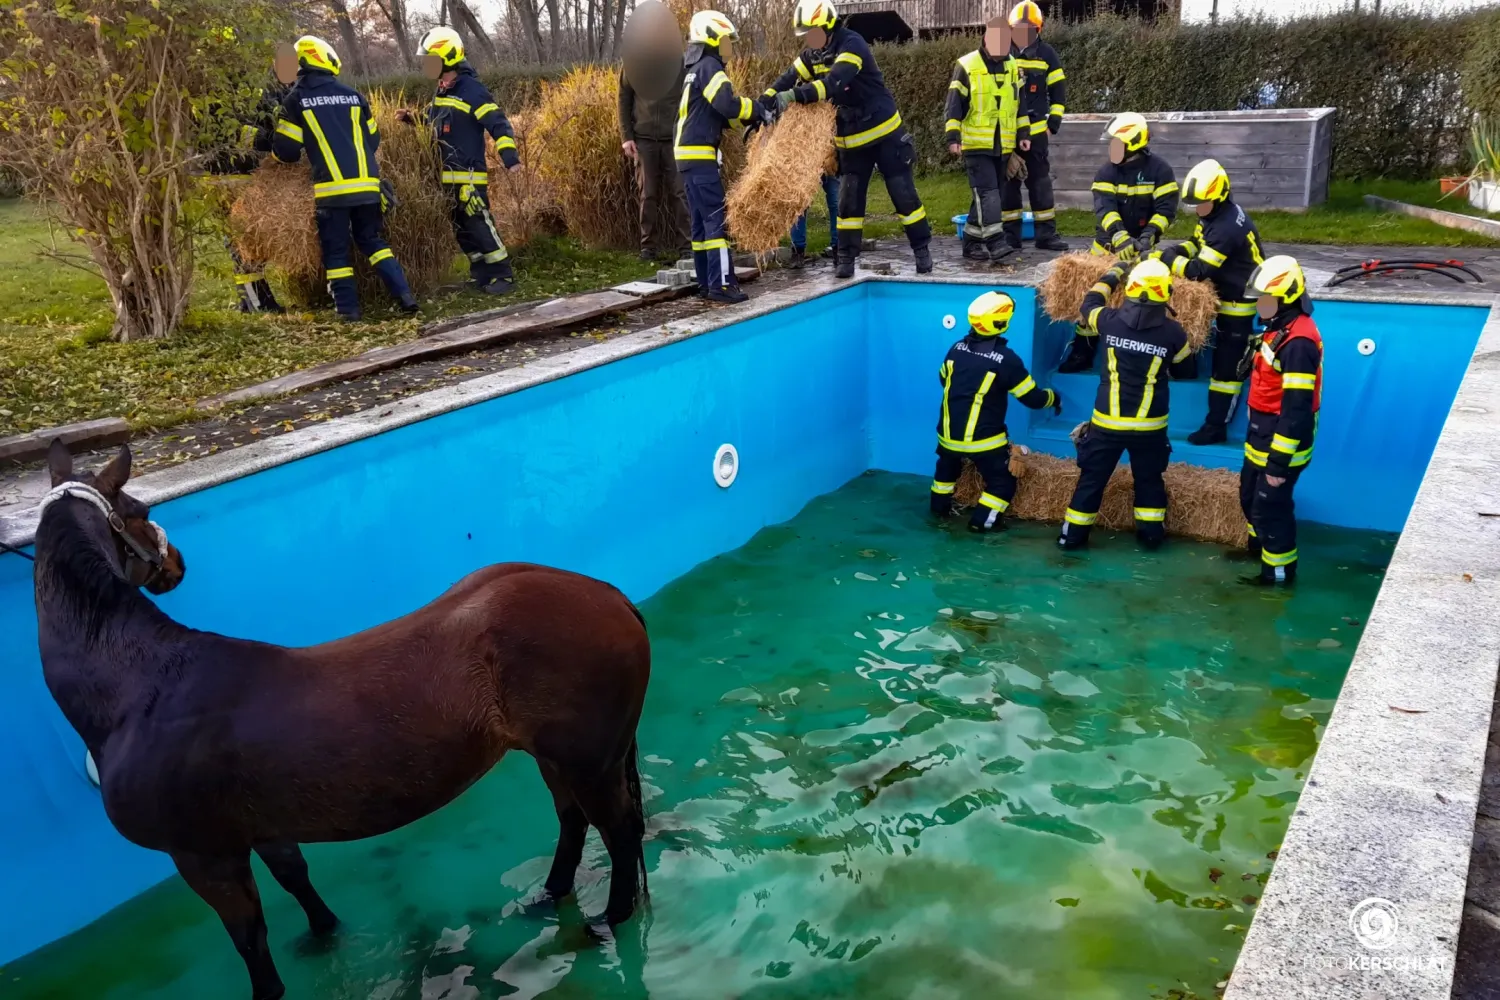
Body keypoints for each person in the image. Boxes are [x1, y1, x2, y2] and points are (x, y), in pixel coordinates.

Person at [763, 0, 932, 280]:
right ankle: (846, 259)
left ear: (827, 25)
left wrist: (794, 96)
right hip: (851, 139)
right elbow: (787, 79)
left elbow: (833, 83)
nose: (809, 38)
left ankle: (922, 250)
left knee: (903, 194)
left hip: (884, 132)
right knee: (849, 203)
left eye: (812, 31)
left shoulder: (852, 45)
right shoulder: (813, 54)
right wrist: (764, 102)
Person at [272, 36, 418, 321]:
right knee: (372, 241)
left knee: (336, 252)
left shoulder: (296, 99)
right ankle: (405, 296)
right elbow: (373, 140)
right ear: (325, 60)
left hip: (333, 191)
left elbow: (287, 152)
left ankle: (348, 311)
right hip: (368, 186)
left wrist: (275, 156)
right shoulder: (353, 95)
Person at [1057, 259, 1195, 551]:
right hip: (1150, 426)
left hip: (1107, 422)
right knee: (1149, 480)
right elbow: (1186, 371)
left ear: (1131, 289)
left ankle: (1071, 540)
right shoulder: (1174, 333)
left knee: (1092, 480)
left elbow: (1089, 302)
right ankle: (1151, 539)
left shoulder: (1108, 320)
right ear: (1165, 293)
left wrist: (1113, 273)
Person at [1056, 112, 1179, 374]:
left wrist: (1148, 237)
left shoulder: (1160, 170)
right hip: (1106, 248)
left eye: (1117, 143)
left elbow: (1166, 210)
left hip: (1144, 249)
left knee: (1143, 300)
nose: (1112, 148)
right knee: (1091, 296)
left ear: (1133, 143)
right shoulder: (1106, 172)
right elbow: (1105, 209)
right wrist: (1120, 238)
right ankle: (1083, 351)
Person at [931, 291, 1061, 533]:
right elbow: (1033, 399)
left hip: (947, 438)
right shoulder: (1006, 359)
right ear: (1002, 323)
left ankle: (938, 512)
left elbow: (943, 379)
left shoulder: (956, 349)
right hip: (984, 443)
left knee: (946, 471)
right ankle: (982, 523)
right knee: (1002, 482)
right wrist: (1053, 398)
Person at [1156, 158, 1265, 445]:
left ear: (1218, 198)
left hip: (1239, 302)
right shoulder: (1215, 214)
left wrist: (1169, 259)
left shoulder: (1227, 227)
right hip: (1228, 292)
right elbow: (1197, 242)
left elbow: (1198, 270)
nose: (1196, 210)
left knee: (1226, 370)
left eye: (1200, 204)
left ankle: (1216, 426)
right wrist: (1177, 249)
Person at [414, 27, 522, 296]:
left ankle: (503, 276)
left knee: (479, 224)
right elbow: (435, 123)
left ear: (447, 58)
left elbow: (498, 123)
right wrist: (412, 120)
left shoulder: (472, 90)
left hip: (469, 176)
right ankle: (481, 274)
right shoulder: (442, 91)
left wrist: (510, 157)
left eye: (430, 59)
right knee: (460, 229)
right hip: (447, 176)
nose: (426, 65)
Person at [676, 11, 770, 303]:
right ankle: (723, 286)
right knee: (718, 221)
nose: (730, 47)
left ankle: (706, 284)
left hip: (687, 156)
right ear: (713, 39)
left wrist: (745, 119)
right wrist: (758, 110)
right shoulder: (710, 67)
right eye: (727, 40)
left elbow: (714, 113)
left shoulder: (695, 68)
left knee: (702, 224)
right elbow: (727, 104)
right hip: (699, 155)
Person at [1240, 255, 1321, 585]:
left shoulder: (1299, 343)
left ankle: (1277, 578)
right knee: (1249, 499)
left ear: (1285, 298)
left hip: (1281, 443)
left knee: (1271, 511)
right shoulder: (1280, 329)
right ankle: (1258, 553)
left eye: (1265, 298)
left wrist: (1278, 465)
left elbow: (1296, 410)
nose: (1259, 304)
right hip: (1262, 436)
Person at [204, 53, 292, 313]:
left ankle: (255, 299)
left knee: (249, 240)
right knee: (242, 242)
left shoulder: (237, 87)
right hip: (230, 175)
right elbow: (255, 132)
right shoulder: (234, 92)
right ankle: (254, 303)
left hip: (241, 174)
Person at [943, 17, 1027, 263]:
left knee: (987, 194)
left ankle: (970, 242)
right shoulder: (967, 65)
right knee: (989, 193)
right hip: (976, 144)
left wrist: (1023, 135)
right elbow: (953, 106)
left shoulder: (1013, 65)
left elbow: (1019, 104)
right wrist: (953, 138)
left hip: (1003, 145)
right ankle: (995, 241)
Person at [619, 0, 691, 262]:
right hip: (644, 139)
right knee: (648, 194)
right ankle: (648, 247)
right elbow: (624, 98)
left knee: (680, 193)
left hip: (675, 139)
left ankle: (686, 247)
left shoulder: (681, 63)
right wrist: (626, 136)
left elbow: (691, 96)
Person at [1005, 1, 1068, 252]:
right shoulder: (1003, 53)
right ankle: (1011, 237)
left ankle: (1046, 236)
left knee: (1040, 184)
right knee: (1008, 184)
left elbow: (1058, 92)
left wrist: (1052, 124)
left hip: (1037, 132)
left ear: (1038, 29)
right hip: (1009, 133)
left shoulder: (1047, 54)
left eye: (1029, 28)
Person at [788, 173, 840, 266]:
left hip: (829, 162)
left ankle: (839, 248)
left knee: (837, 203)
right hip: (806, 164)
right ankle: (798, 250)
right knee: (799, 203)